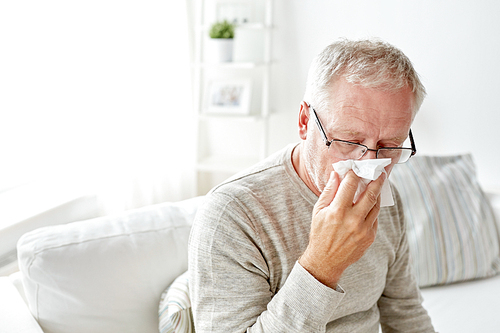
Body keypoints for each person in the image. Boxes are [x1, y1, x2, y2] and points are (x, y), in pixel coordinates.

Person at [189, 38, 435, 332]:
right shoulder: (232, 215)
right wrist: (322, 265)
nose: (369, 166)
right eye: (350, 141)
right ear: (305, 121)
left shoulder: (383, 195)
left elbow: (405, 312)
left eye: (388, 146)